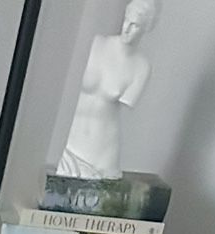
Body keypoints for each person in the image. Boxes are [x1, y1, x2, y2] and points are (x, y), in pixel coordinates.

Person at [58, 0, 159, 179]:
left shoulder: (140, 66)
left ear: (145, 29)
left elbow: (127, 101)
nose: (127, 28)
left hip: (102, 152)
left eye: (135, 25)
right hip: (71, 143)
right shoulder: (97, 45)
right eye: (126, 20)